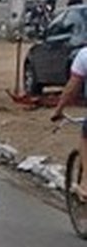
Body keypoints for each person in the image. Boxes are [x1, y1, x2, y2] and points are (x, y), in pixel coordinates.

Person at [51, 46, 87, 201]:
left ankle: (86, 182)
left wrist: (58, 110)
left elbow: (71, 88)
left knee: (85, 138)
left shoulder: (84, 55)